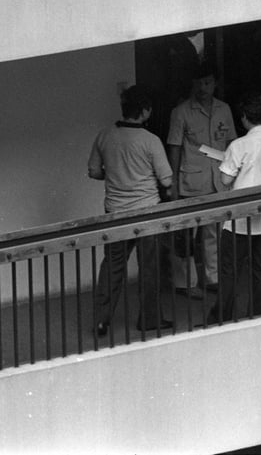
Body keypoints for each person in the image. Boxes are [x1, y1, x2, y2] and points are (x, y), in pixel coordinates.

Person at [88, 85, 173, 336]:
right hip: (147, 212)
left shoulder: (104, 136)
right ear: (145, 111)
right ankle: (149, 319)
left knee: (112, 266)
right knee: (149, 268)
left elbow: (93, 171)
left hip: (114, 212)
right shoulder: (151, 140)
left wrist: (113, 175)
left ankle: (101, 320)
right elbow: (166, 179)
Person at [208, 92, 261, 323]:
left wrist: (222, 162)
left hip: (239, 220)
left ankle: (222, 317)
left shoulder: (239, 145)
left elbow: (225, 180)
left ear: (244, 117)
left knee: (229, 271)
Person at [166, 62, 236, 297]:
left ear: (215, 83)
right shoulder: (181, 112)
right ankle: (185, 283)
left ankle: (212, 278)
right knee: (187, 233)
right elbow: (174, 147)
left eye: (208, 82)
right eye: (199, 83)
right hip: (191, 181)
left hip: (218, 179)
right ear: (192, 84)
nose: (204, 87)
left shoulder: (224, 109)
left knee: (214, 231)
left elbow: (230, 144)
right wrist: (173, 182)